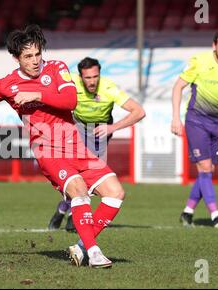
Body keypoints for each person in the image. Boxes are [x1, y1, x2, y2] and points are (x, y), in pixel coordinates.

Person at [0, 24, 134, 268]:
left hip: (75, 147)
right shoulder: (6, 85)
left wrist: (37, 95)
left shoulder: (57, 68)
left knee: (115, 193)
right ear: (16, 58)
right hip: (48, 151)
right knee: (79, 191)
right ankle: (93, 253)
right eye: (28, 56)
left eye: (38, 54)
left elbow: (70, 101)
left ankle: (82, 247)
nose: (35, 60)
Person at [48, 57, 145, 232]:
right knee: (78, 176)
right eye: (87, 78)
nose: (92, 82)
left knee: (90, 179)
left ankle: (63, 209)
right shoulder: (70, 84)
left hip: (100, 132)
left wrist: (113, 127)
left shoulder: (108, 87)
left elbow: (139, 111)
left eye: (95, 77)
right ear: (80, 76)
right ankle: (72, 215)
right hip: (77, 128)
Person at [171, 30, 218, 229]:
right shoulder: (199, 61)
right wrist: (176, 118)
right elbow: (177, 87)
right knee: (204, 167)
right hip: (196, 121)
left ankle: (187, 212)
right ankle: (216, 215)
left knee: (208, 169)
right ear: (214, 45)